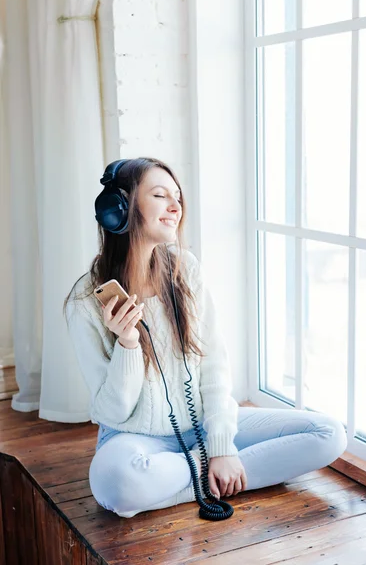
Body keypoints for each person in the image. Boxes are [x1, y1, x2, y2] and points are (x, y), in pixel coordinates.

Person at [64, 157, 347, 519]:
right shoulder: (86, 302)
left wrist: (221, 446)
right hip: (135, 441)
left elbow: (213, 363)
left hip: (203, 424)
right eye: (160, 195)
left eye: (178, 198)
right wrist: (128, 344)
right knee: (114, 484)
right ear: (118, 210)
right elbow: (112, 412)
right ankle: (215, 476)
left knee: (329, 434)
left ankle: (208, 472)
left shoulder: (186, 270)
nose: (175, 207)